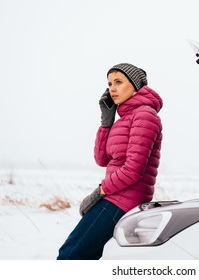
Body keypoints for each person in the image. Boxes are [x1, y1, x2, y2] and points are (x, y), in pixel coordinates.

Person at [57, 63, 163, 260]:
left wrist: (99, 192)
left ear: (135, 85)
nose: (112, 88)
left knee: (71, 255)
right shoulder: (124, 119)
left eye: (118, 82)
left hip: (123, 199)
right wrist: (106, 122)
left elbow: (133, 170)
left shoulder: (145, 115)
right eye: (109, 83)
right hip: (115, 196)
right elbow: (101, 159)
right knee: (83, 255)